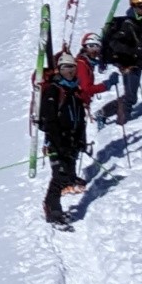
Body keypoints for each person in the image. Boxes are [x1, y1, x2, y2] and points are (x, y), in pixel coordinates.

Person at [38, 51, 89, 227]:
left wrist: (82, 140)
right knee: (58, 176)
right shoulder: (54, 90)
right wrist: (58, 144)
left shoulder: (74, 90)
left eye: (73, 67)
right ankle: (53, 211)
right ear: (59, 69)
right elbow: (49, 120)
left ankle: (70, 183)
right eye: (66, 67)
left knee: (66, 173)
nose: (70, 71)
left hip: (72, 141)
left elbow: (80, 119)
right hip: (57, 141)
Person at [102, 0, 142, 124]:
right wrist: (134, 51)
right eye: (141, 6)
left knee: (130, 96)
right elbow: (115, 43)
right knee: (130, 97)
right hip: (129, 64)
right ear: (133, 7)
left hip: (134, 63)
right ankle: (120, 118)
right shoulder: (128, 24)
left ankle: (111, 114)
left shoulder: (138, 22)